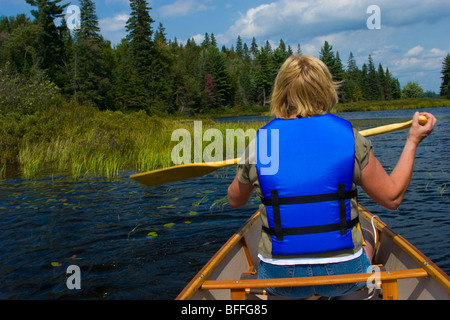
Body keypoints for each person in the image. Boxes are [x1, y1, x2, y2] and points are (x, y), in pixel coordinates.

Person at [227, 54, 437, 299]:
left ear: (281, 93)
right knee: (368, 234)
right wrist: (412, 140)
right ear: (325, 90)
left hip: (281, 276)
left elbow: (235, 201)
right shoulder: (349, 137)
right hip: (344, 272)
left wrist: (246, 165)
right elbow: (392, 198)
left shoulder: (261, 143)